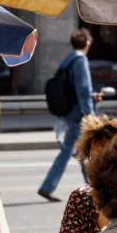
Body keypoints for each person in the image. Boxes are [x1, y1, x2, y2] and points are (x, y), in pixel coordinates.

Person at [38, 28, 100, 203]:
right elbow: (83, 89)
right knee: (75, 151)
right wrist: (90, 114)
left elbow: (73, 87)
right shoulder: (80, 61)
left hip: (70, 112)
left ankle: (91, 186)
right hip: (77, 114)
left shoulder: (68, 59)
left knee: (80, 151)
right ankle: (49, 186)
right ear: (87, 43)